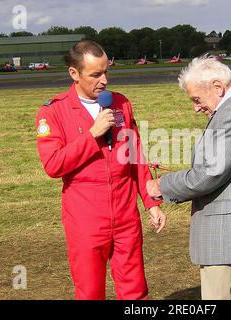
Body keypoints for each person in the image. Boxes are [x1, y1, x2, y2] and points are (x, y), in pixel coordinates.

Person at [146, 56, 231, 300]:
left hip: (226, 236)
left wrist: (162, 186)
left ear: (218, 87)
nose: (195, 108)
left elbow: (209, 174)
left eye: (196, 99)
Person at [36, 40, 166, 300]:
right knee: (90, 292)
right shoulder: (54, 112)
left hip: (126, 214)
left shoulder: (121, 104)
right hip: (85, 219)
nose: (104, 80)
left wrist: (151, 202)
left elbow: (136, 156)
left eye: (106, 71)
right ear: (74, 73)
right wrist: (92, 135)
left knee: (135, 290)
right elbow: (53, 165)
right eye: (96, 74)